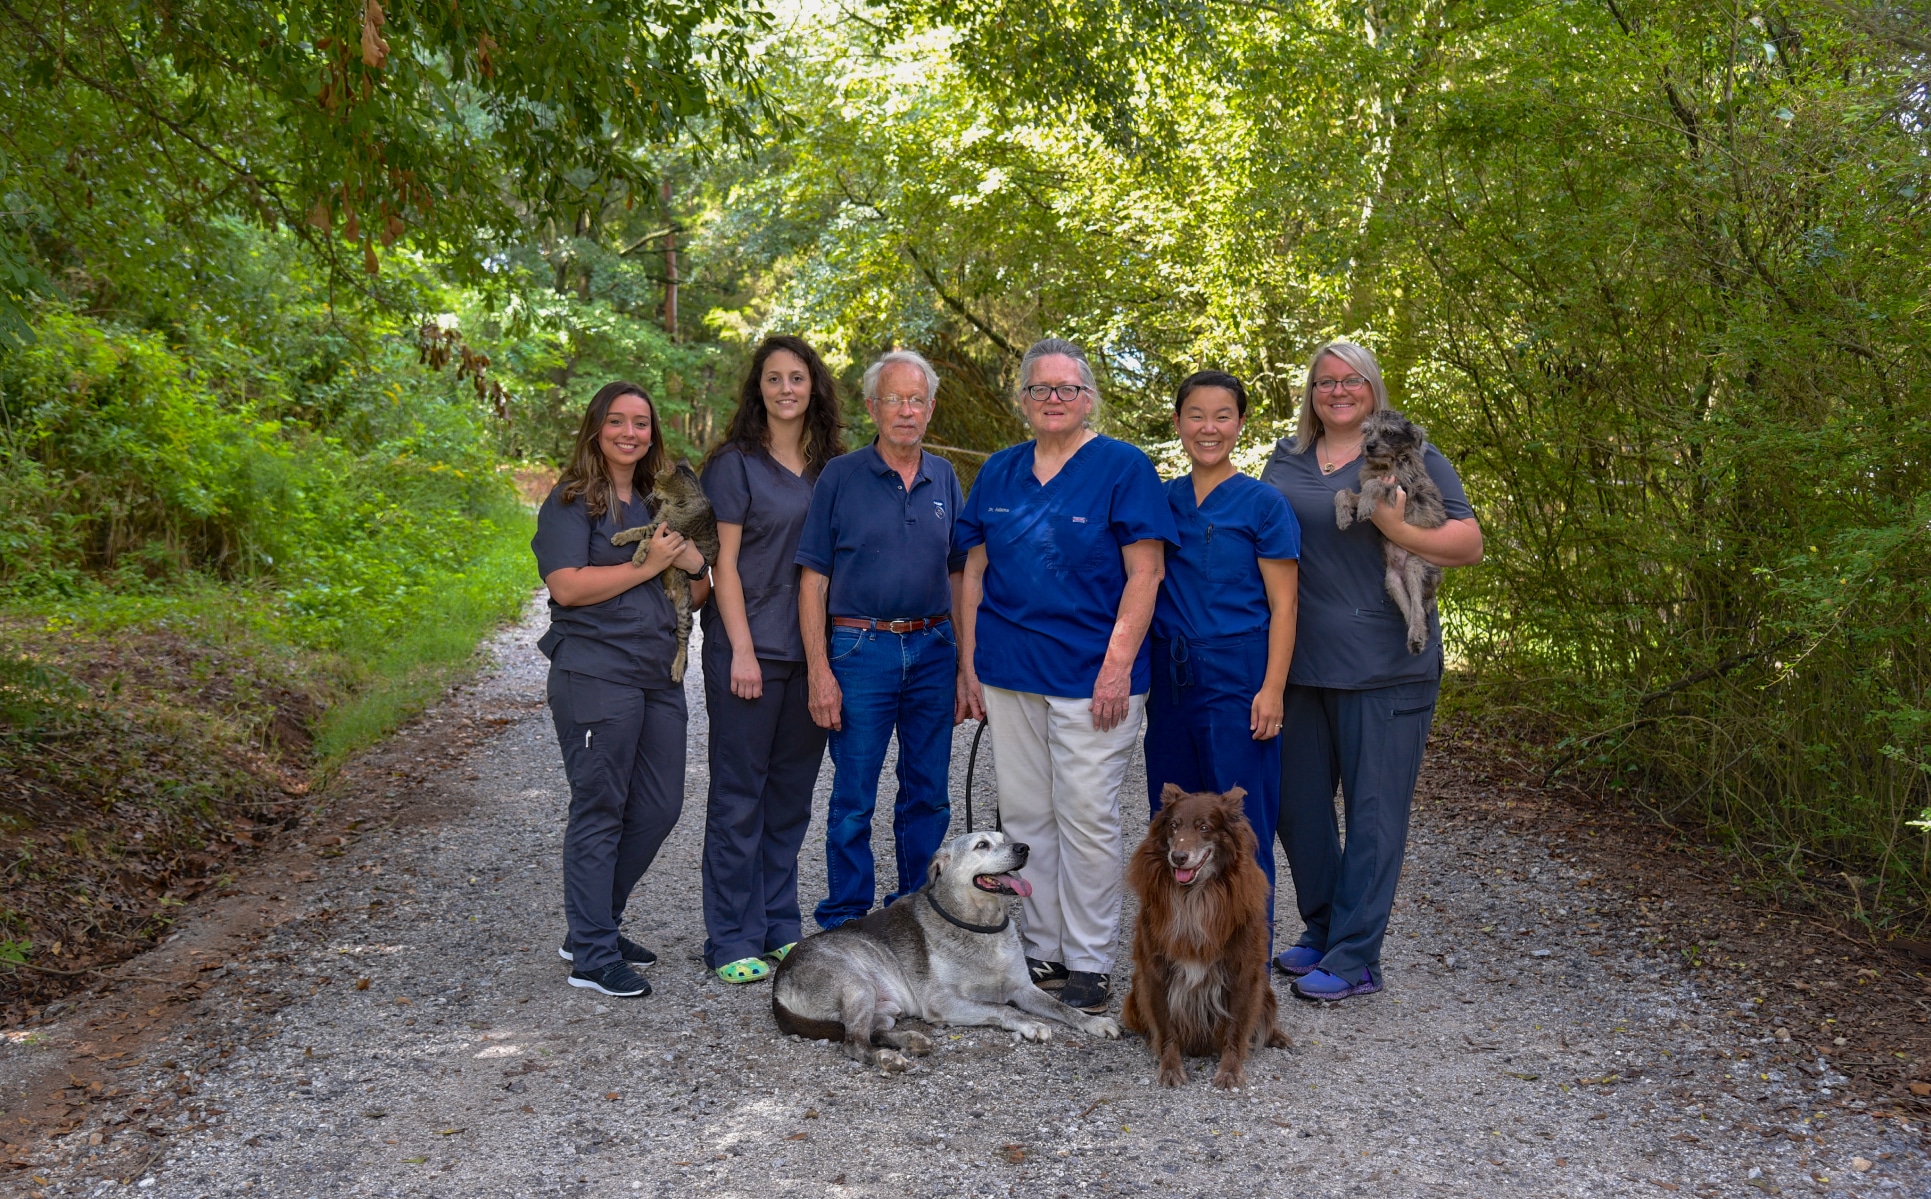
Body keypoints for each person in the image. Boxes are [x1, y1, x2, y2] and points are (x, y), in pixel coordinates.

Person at [954, 337, 1177, 1015]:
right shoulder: (998, 472)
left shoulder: (1121, 467)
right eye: (1039, 389)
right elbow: (972, 572)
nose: (1053, 400)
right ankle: (1042, 946)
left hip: (1093, 679)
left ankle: (1087, 957)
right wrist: (969, 665)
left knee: (1086, 816)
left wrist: (1114, 669)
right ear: (1022, 399)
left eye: (1067, 389)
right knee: (1026, 817)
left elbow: (1147, 572)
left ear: (1088, 399)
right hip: (1009, 672)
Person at [1259, 339, 1483, 1001]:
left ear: (1371, 387)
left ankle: (1357, 957)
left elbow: (1467, 542)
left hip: (1387, 665)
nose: (1337, 390)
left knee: (1373, 813)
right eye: (1324, 380)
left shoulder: (1410, 452)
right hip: (1297, 662)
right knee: (1297, 810)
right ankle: (1324, 927)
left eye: (1350, 379)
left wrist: (1390, 520)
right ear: (1310, 391)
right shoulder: (1287, 456)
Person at [532, 381, 709, 999]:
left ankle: (592, 927)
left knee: (659, 807)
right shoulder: (571, 502)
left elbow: (695, 591)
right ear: (596, 428)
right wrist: (649, 564)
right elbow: (568, 588)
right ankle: (592, 952)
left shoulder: (660, 503)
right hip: (595, 672)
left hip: (658, 673)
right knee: (601, 807)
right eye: (617, 422)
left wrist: (691, 567)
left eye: (641, 423)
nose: (630, 433)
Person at [797, 349, 965, 928]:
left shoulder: (945, 476)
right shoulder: (840, 477)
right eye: (895, 399)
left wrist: (965, 665)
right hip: (859, 650)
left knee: (927, 792)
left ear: (931, 408)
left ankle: (920, 912)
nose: (906, 410)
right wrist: (819, 669)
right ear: (873, 406)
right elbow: (813, 580)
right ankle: (846, 916)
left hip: (932, 650)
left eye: (917, 400)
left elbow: (959, 574)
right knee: (853, 798)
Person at [699, 336, 847, 984]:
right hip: (748, 652)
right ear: (757, 389)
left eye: (797, 377)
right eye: (773, 378)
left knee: (789, 796)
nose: (786, 388)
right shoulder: (733, 464)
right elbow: (722, 564)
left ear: (813, 386)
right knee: (738, 796)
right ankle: (729, 935)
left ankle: (778, 924)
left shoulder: (831, 469)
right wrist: (741, 651)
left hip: (809, 652)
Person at [1143, 370, 1300, 925]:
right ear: (1179, 422)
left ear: (1239, 423)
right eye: (1196, 416)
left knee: (1240, 824)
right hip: (1172, 678)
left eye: (1223, 416)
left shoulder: (1263, 504)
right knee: (1173, 819)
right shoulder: (1161, 500)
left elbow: (1285, 604)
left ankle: (1245, 973)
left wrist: (1273, 690)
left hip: (1240, 675)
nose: (1208, 428)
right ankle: (1180, 956)